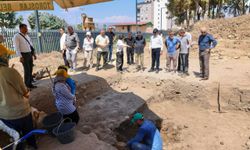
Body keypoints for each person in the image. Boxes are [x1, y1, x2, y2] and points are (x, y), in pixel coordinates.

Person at [0, 39, 37, 150]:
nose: (8, 58)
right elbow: (25, 93)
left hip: (4, 116)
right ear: (2, 57)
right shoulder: (9, 72)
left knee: (16, 141)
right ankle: (32, 146)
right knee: (29, 135)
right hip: (20, 113)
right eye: (6, 55)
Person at [14, 23, 37, 89]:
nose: (26, 29)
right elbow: (16, 47)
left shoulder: (27, 36)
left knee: (30, 69)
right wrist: (20, 56)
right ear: (21, 29)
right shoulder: (17, 36)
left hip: (29, 53)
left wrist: (34, 54)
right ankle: (27, 85)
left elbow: (31, 45)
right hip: (23, 55)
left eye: (26, 28)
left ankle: (30, 83)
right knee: (27, 70)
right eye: (25, 28)